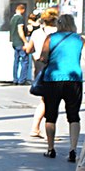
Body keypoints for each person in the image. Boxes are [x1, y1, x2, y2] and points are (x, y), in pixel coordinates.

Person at [36, 13, 85, 161]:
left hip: (52, 79)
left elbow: (43, 58)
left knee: (50, 115)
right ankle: (73, 149)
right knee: (73, 115)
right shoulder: (80, 39)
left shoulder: (50, 38)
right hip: (74, 80)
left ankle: (50, 149)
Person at [25, 9, 51, 138]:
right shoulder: (57, 33)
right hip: (52, 66)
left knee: (45, 99)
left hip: (39, 66)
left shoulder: (36, 33)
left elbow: (28, 49)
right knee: (50, 100)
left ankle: (36, 128)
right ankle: (45, 129)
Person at [9, 3, 32, 84]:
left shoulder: (12, 18)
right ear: (22, 10)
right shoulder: (20, 18)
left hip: (14, 43)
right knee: (25, 61)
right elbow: (20, 31)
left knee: (16, 61)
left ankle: (15, 79)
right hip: (20, 42)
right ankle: (22, 80)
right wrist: (25, 42)